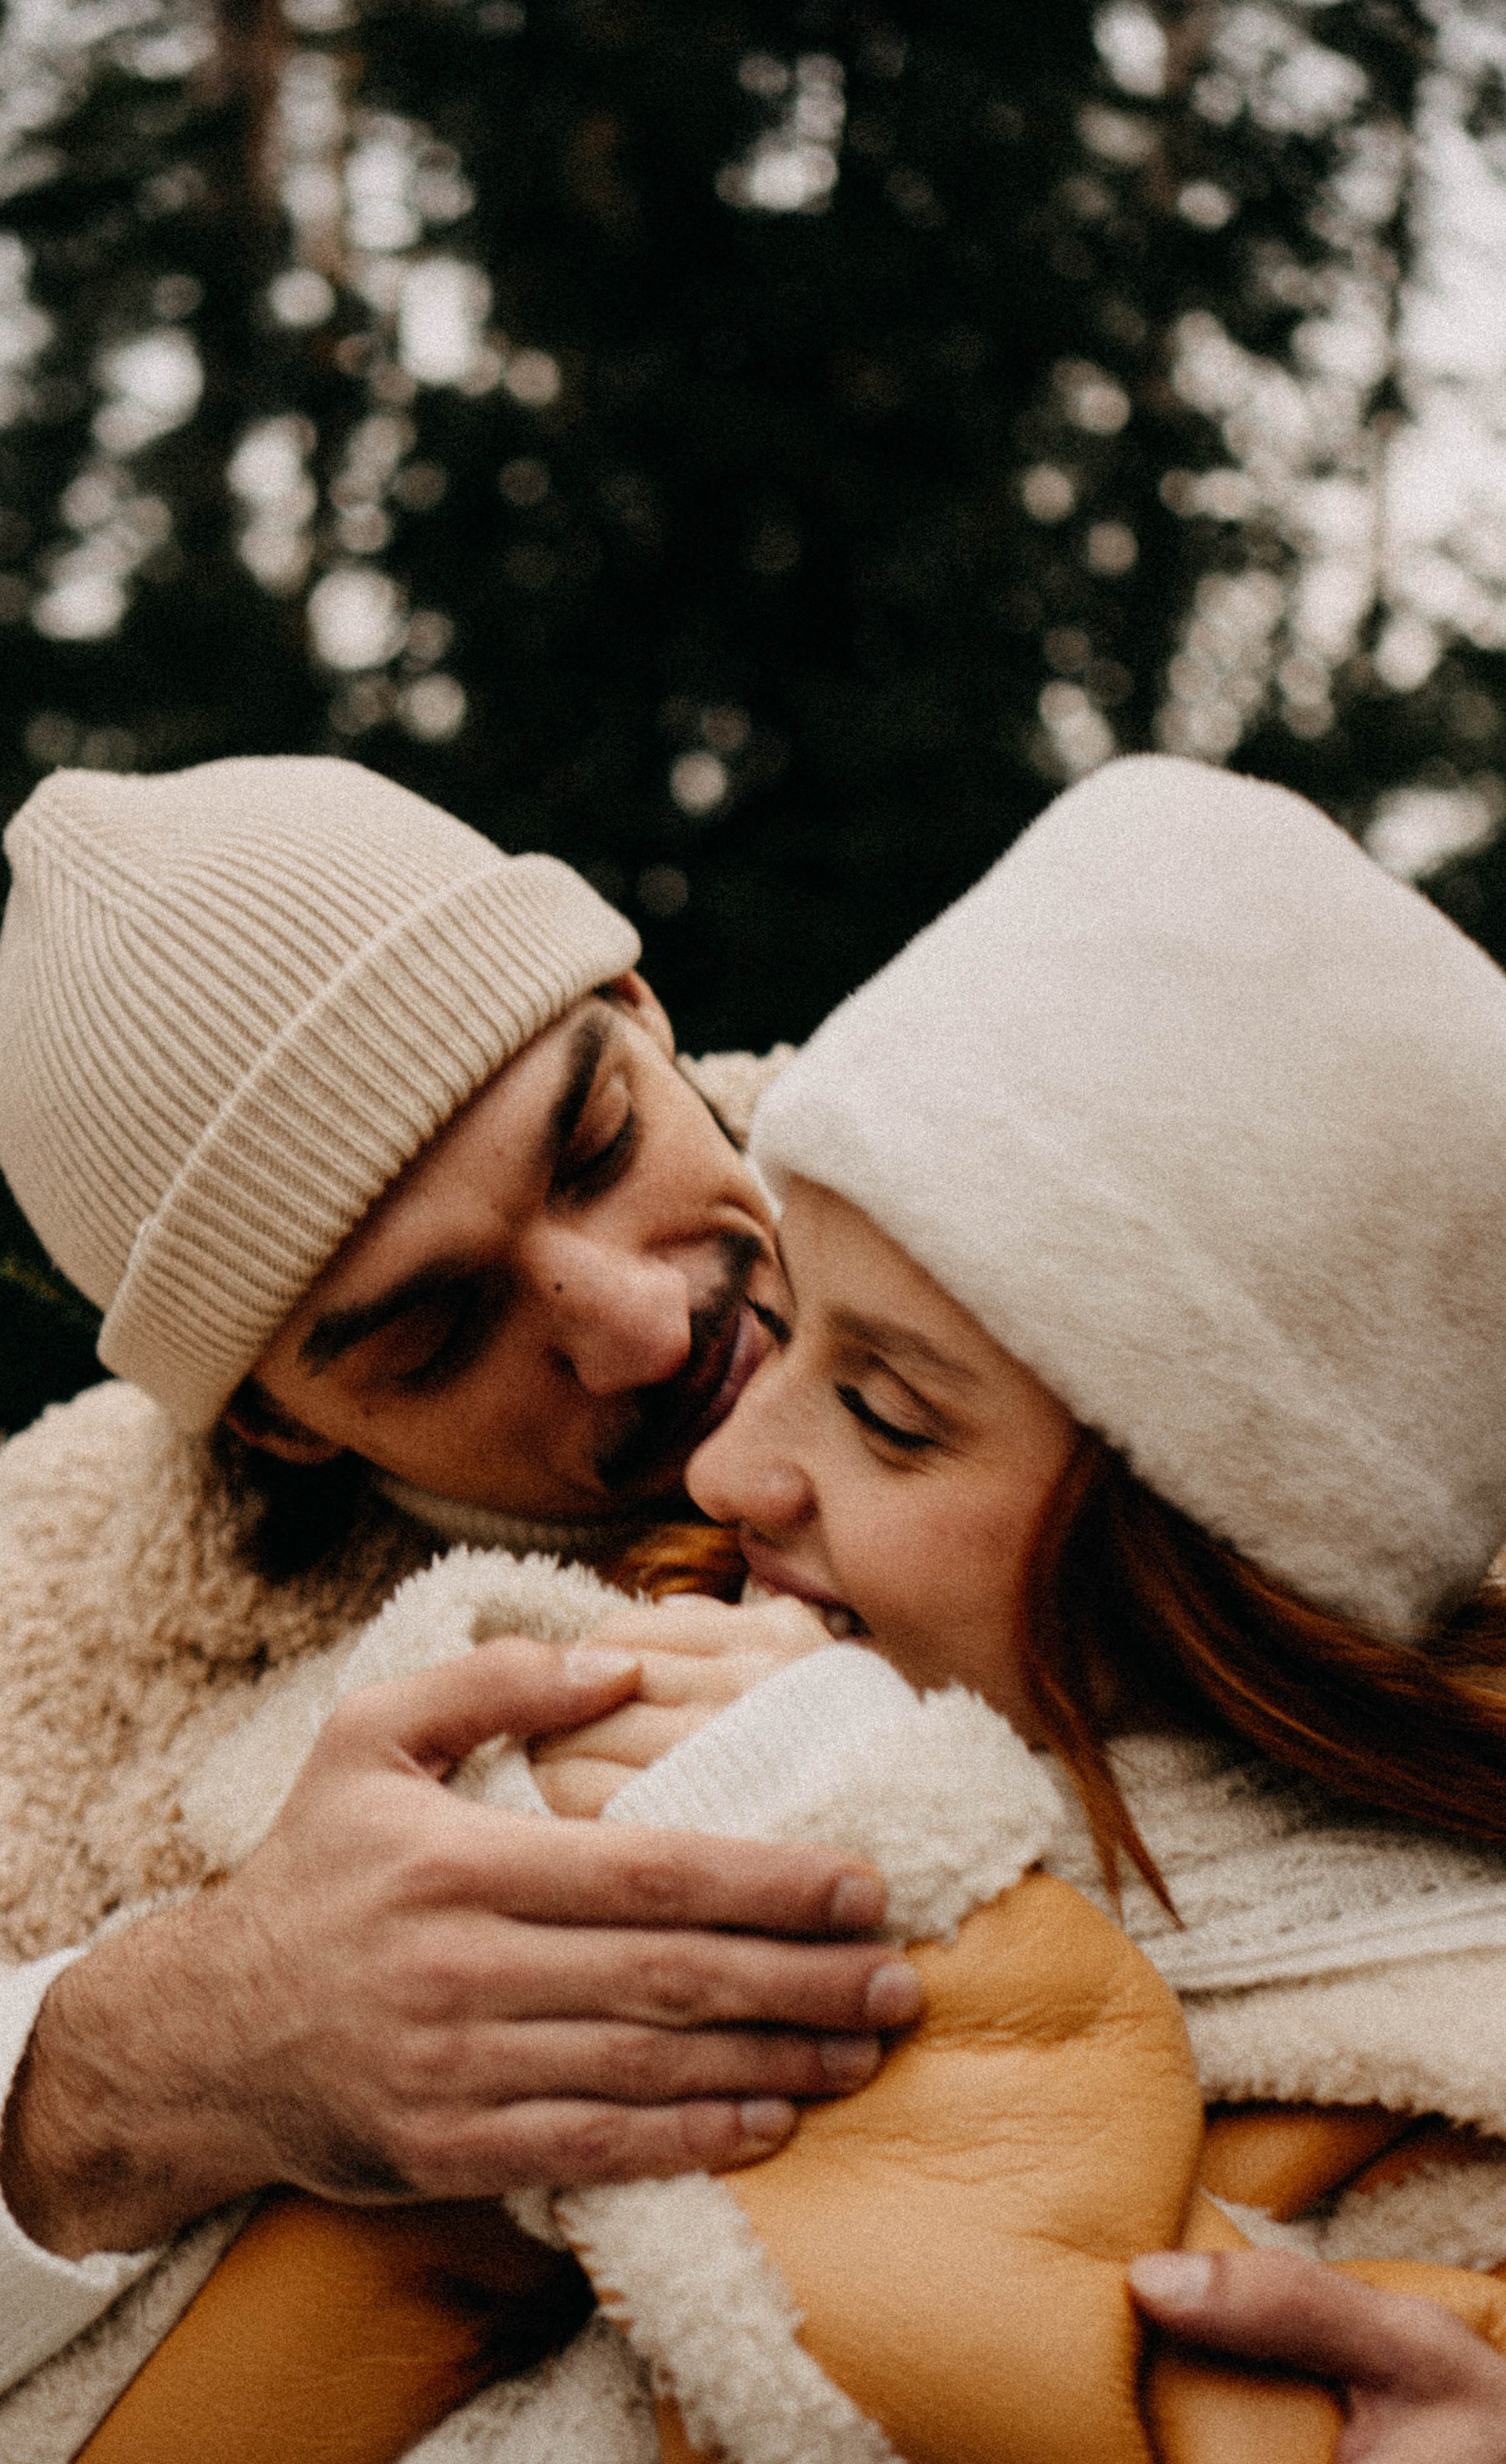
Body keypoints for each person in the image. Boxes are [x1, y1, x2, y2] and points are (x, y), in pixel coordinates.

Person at [190, 751, 1506, 2461]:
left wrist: (852, 1836)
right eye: (791, 1329)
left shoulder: (1433, 2088)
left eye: (888, 1411)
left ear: (1215, 1542)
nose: (726, 1459)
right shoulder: (543, 1711)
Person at [0, 754, 916, 2463]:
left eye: (598, 1141)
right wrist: (183, 2050)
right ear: (279, 1420)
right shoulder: (68, 1613)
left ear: (640, 1008)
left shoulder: (1053, 1216)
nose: (641, 1327)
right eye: (435, 1333)